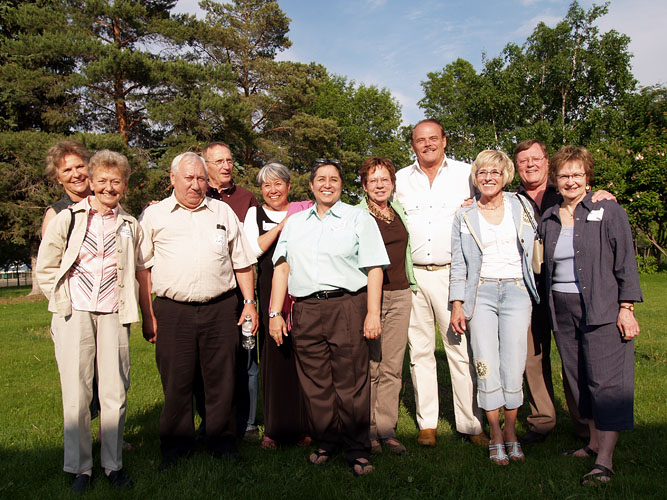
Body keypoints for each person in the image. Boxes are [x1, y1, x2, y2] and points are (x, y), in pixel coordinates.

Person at [136, 152, 258, 471]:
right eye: (188, 178)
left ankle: (222, 442)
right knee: (177, 381)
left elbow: (242, 262)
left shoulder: (222, 212)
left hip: (220, 308)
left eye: (201, 178)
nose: (195, 184)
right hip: (173, 310)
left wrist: (249, 303)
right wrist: (148, 315)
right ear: (173, 178)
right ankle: (176, 447)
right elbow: (143, 269)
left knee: (221, 380)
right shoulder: (155, 215)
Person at [268, 159, 389, 476]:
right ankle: (327, 441)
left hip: (347, 306)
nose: (327, 184)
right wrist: (274, 312)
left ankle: (358, 449)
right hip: (306, 309)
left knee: (351, 382)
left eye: (333, 179)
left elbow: (374, 267)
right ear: (310, 186)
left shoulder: (358, 218)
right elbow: (282, 267)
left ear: (341, 184)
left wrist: (372, 313)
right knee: (315, 382)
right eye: (320, 179)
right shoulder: (295, 223)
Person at [36, 150, 141, 493]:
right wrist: (62, 299)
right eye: (102, 181)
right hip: (74, 313)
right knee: (78, 393)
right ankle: (80, 468)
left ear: (124, 185)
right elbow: (46, 267)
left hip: (113, 312)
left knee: (114, 391)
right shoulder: (68, 218)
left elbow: (135, 268)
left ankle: (112, 465)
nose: (109, 187)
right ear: (92, 183)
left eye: (116, 181)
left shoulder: (130, 225)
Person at [539, 145, 642, 485]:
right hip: (562, 308)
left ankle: (606, 460)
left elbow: (626, 261)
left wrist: (626, 308)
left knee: (606, 382)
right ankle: (593, 442)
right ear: (555, 179)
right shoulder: (550, 215)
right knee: (579, 378)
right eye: (564, 175)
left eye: (577, 175)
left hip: (601, 306)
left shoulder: (608, 210)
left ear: (587, 178)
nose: (570, 181)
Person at [513, 139, 615, 445]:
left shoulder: (568, 192)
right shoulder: (511, 200)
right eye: (523, 161)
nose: (530, 165)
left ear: (547, 162)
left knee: (577, 358)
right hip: (529, 291)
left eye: (535, 159)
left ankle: (585, 423)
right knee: (534, 359)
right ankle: (542, 421)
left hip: (568, 290)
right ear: (516, 168)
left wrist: (602, 194)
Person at [394, 119, 486, 447]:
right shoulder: (400, 179)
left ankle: (471, 424)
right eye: (421, 140)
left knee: (459, 349)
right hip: (414, 276)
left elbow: (494, 196)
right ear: (413, 145)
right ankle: (427, 423)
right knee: (419, 351)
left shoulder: (466, 173)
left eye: (434, 138)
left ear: (445, 141)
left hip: (452, 274)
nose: (428, 144)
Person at [449, 150, 540, 465]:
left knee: (514, 364)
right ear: (475, 177)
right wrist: (457, 304)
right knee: (485, 363)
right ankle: (495, 432)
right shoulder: (464, 214)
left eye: (495, 172)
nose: (488, 178)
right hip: (481, 294)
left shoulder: (522, 206)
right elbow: (459, 263)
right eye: (482, 172)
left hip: (516, 292)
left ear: (505, 176)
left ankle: (512, 430)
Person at [242, 162, 312, 449]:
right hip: (271, 289)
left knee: (305, 357)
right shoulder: (254, 214)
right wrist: (283, 224)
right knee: (274, 357)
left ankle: (306, 425)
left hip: (303, 287)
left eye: (278, 183)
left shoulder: (306, 208)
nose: (272, 190)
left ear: (288, 185)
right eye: (266, 185)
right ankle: (274, 429)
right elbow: (252, 250)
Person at [201, 141, 261, 441]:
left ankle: (249, 423)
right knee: (213, 361)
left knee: (248, 359)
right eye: (219, 161)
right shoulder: (197, 195)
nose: (226, 166)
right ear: (206, 165)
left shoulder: (246, 199)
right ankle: (213, 420)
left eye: (230, 160)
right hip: (210, 293)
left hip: (242, 293)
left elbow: (250, 247)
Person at [357, 157, 417, 456]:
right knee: (370, 365)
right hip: (371, 297)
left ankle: (386, 429)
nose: (379, 185)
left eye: (385, 179)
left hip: (401, 294)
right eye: (373, 180)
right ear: (364, 185)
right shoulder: (357, 215)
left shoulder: (399, 212)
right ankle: (366, 429)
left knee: (392, 365)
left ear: (392, 183)